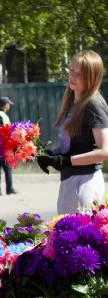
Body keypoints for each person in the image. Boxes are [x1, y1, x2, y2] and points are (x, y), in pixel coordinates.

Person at [37, 50, 108, 214]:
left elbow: (105, 151)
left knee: (77, 236)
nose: (73, 76)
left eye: (80, 74)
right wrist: (51, 156)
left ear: (92, 77)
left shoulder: (93, 104)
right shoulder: (73, 101)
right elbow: (75, 145)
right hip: (70, 180)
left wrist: (66, 161)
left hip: (85, 181)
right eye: (71, 71)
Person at [0, 96, 18, 196]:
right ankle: (9, 188)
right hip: (3, 144)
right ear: (6, 105)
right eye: (8, 104)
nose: (9, 106)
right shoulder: (4, 116)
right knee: (7, 167)